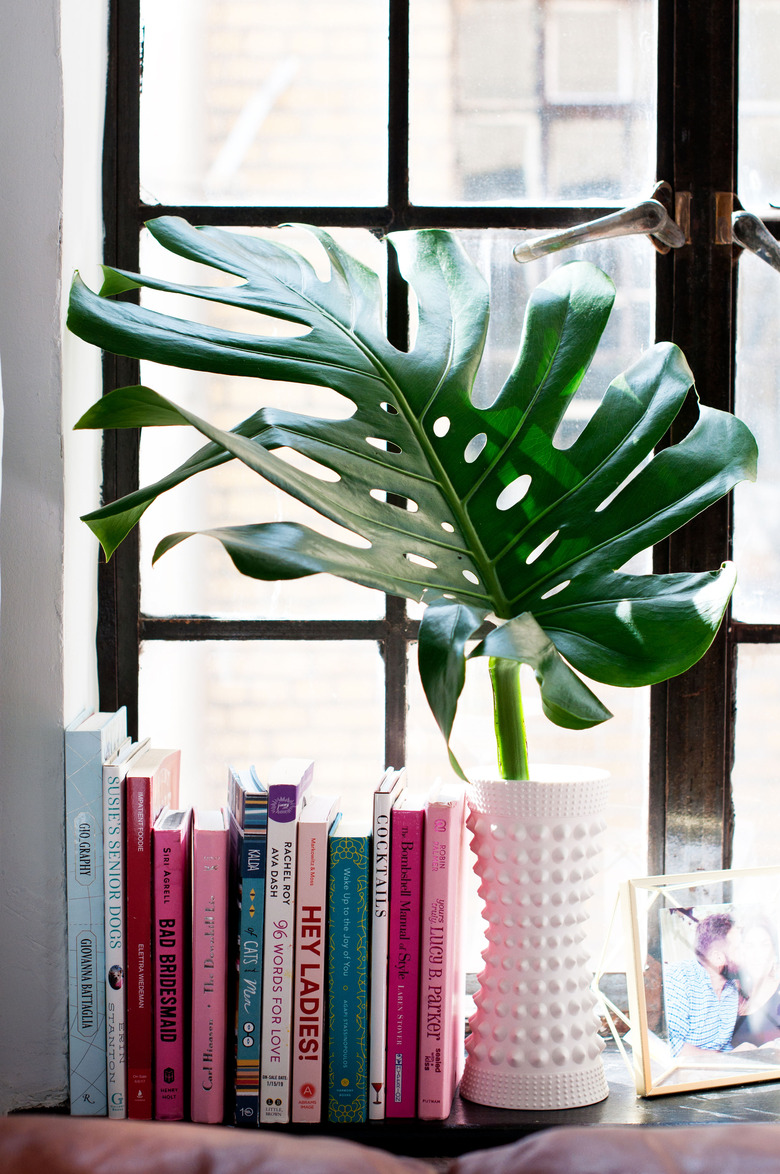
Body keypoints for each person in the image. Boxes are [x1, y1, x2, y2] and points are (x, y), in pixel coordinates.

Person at [663, 912, 742, 1061]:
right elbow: (673, 1046)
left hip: (714, 1072)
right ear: (718, 957)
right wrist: (729, 1058)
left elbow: (722, 1046)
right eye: (738, 949)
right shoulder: (679, 977)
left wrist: (744, 1055)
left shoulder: (730, 989)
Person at [730, 914, 780, 1052]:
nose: (757, 954)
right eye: (750, 946)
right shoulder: (732, 992)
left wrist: (770, 1048)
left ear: (774, 951)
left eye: (764, 945)